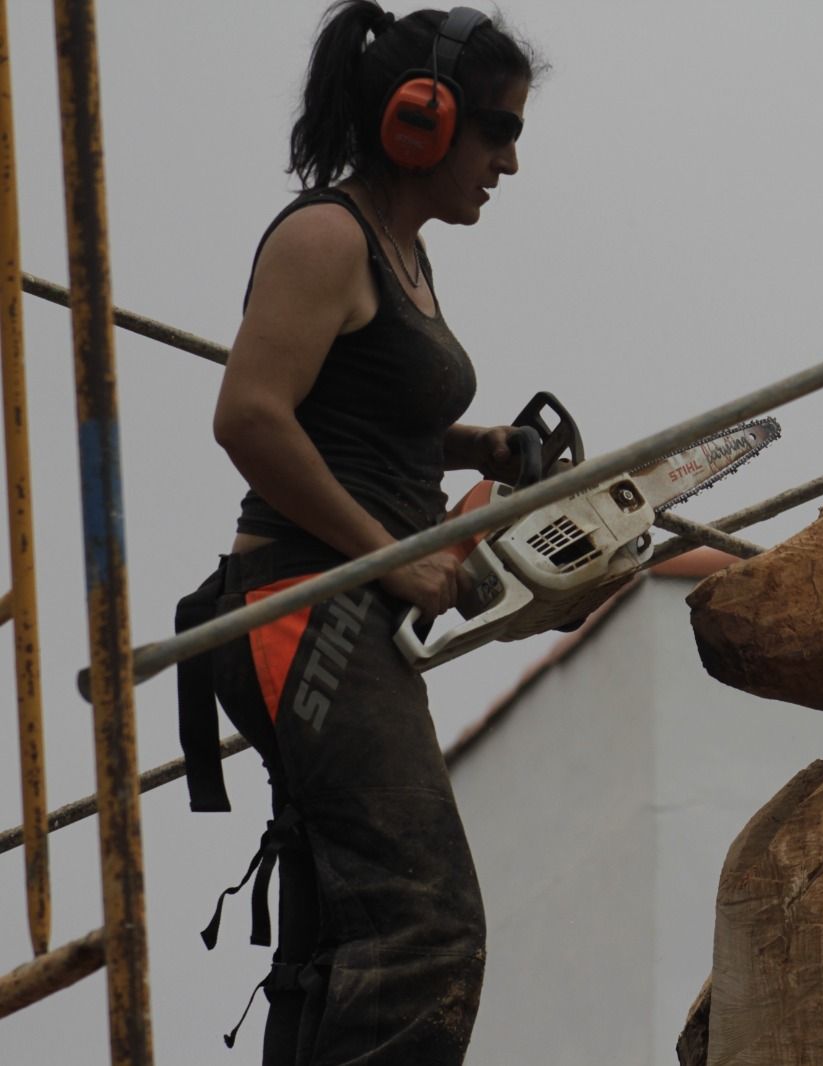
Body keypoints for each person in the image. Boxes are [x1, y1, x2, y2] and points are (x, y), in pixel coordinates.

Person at [173, 4, 548, 1063]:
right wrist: (401, 558)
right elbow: (249, 417)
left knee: (354, 935)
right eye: (498, 132)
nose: (508, 163)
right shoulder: (327, 235)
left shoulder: (401, 254)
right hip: (299, 608)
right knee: (426, 931)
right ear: (419, 122)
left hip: (341, 618)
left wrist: (473, 447)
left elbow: (356, 422)